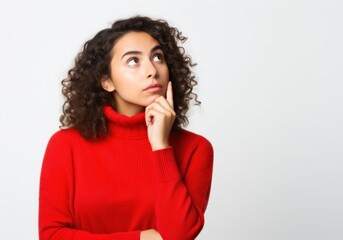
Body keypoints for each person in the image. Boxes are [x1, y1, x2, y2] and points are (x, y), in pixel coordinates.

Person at [38, 16, 213, 240]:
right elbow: (52, 236)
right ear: (107, 81)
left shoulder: (195, 149)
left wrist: (161, 147)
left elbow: (178, 235)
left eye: (158, 57)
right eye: (133, 61)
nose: (152, 70)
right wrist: (141, 238)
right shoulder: (65, 145)